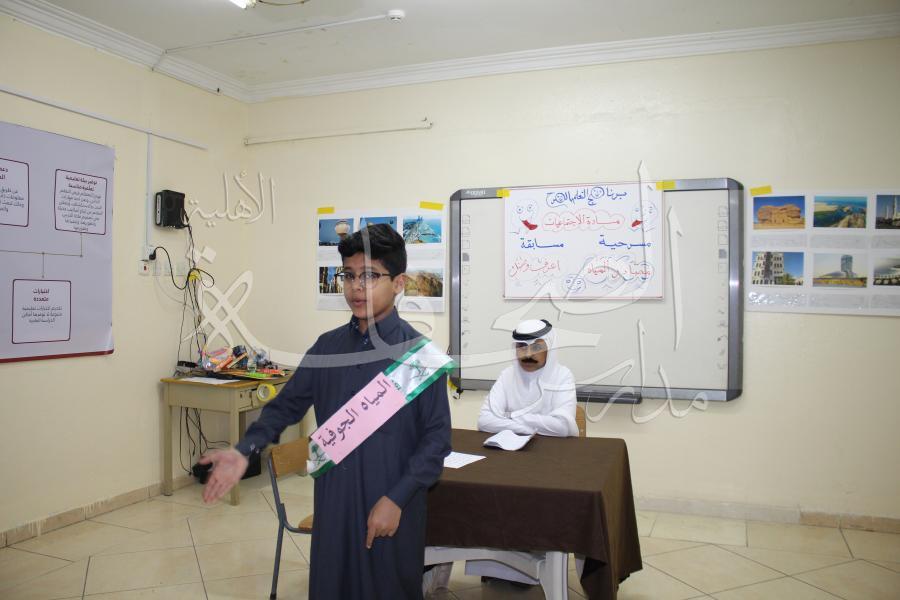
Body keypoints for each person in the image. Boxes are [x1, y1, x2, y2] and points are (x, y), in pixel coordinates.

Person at [199, 224, 452, 600]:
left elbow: (436, 441)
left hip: (392, 509)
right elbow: (285, 406)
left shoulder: (419, 357)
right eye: (348, 275)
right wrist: (245, 449)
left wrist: (398, 498)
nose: (356, 287)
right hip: (334, 505)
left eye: (370, 275)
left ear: (398, 283)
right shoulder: (327, 348)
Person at [477, 318, 578, 437]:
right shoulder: (507, 375)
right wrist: (526, 430)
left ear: (550, 349)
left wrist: (509, 416)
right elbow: (484, 420)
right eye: (522, 346)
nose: (528, 354)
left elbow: (563, 426)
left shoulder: (563, 376)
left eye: (537, 348)